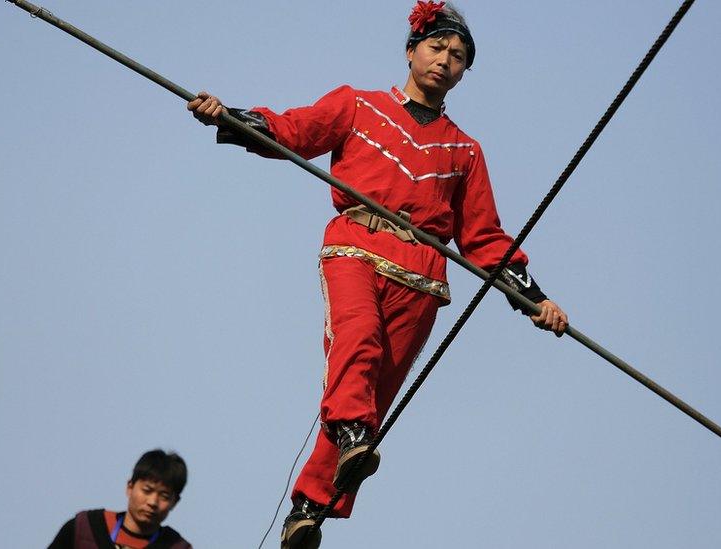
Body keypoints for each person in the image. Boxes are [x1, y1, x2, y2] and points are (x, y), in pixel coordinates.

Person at [189, 2, 568, 548]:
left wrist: (537, 301)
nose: (445, 60)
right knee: (357, 341)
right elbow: (294, 130)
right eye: (437, 47)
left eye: (458, 56)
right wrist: (229, 116)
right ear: (412, 51)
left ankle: (307, 509)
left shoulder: (465, 151)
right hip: (356, 246)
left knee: (375, 390)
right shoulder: (358, 105)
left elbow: (484, 238)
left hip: (422, 275)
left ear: (464, 73)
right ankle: (348, 431)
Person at [48, 449, 192, 549]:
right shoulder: (86, 527)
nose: (152, 502)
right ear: (130, 487)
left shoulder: (176, 546)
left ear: (175, 502)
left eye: (164, 496)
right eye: (147, 490)